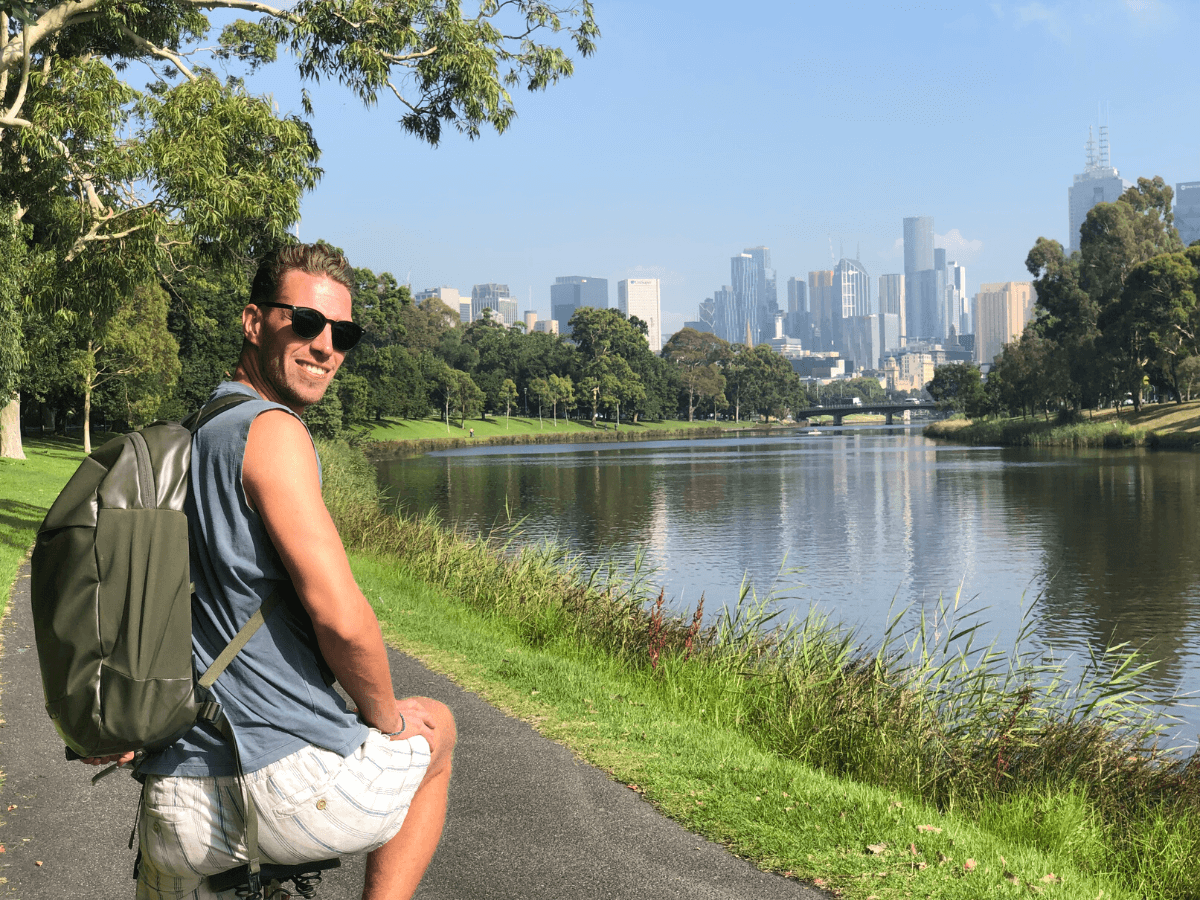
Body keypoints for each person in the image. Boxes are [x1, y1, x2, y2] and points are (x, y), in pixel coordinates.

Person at [87, 244, 455, 900]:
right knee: (438, 730)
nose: (326, 347)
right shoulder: (274, 432)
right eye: (307, 324)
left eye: (343, 334)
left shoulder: (193, 435)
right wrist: (387, 718)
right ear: (254, 322)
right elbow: (341, 619)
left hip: (170, 807)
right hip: (277, 796)